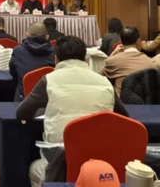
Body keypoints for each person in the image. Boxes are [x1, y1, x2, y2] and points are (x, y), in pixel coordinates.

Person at [15, 36, 128, 187]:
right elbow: (124, 118)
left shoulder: (49, 80)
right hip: (101, 164)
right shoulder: (104, 82)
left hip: (60, 163)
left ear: (56, 59)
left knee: (34, 168)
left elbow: (21, 113)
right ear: (85, 58)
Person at [101, 26, 156, 95]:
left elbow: (100, 79)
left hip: (122, 101)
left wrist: (112, 54)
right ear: (138, 41)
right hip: (145, 100)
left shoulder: (112, 61)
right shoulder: (151, 63)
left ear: (121, 41)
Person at [9, 22, 55, 100]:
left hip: (23, 99)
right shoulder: (55, 52)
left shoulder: (18, 51)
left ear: (27, 35)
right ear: (47, 37)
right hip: (49, 98)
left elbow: (13, 73)